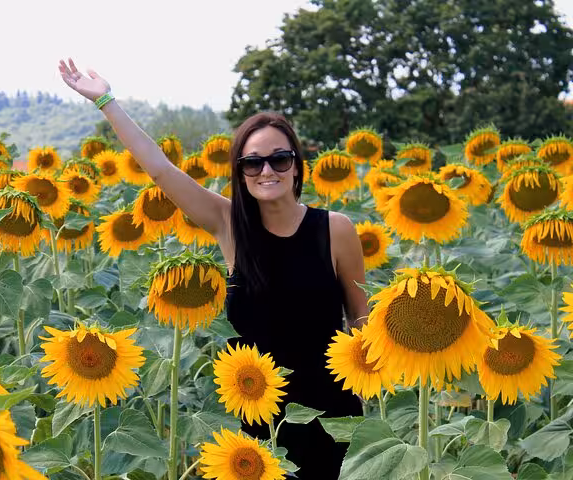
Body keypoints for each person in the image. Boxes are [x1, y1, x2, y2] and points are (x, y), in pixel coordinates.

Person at [58, 58, 368, 478]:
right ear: (239, 172)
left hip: (330, 416)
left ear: (296, 164)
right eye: (252, 162)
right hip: (253, 417)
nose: (266, 171)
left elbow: (360, 322)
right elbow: (160, 169)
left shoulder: (335, 230)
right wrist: (107, 101)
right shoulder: (229, 225)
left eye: (279, 159)